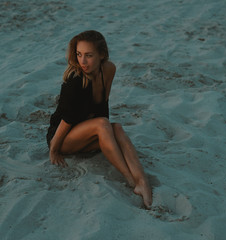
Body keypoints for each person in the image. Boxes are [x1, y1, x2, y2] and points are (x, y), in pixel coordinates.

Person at [46, 30, 152, 208]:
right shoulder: (75, 81)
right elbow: (66, 121)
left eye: (89, 55)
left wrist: (107, 135)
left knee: (116, 127)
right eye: (79, 54)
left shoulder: (108, 69)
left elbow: (103, 106)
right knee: (103, 125)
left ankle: (143, 183)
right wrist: (54, 150)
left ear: (102, 55)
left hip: (89, 129)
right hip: (63, 137)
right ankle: (131, 181)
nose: (83, 61)